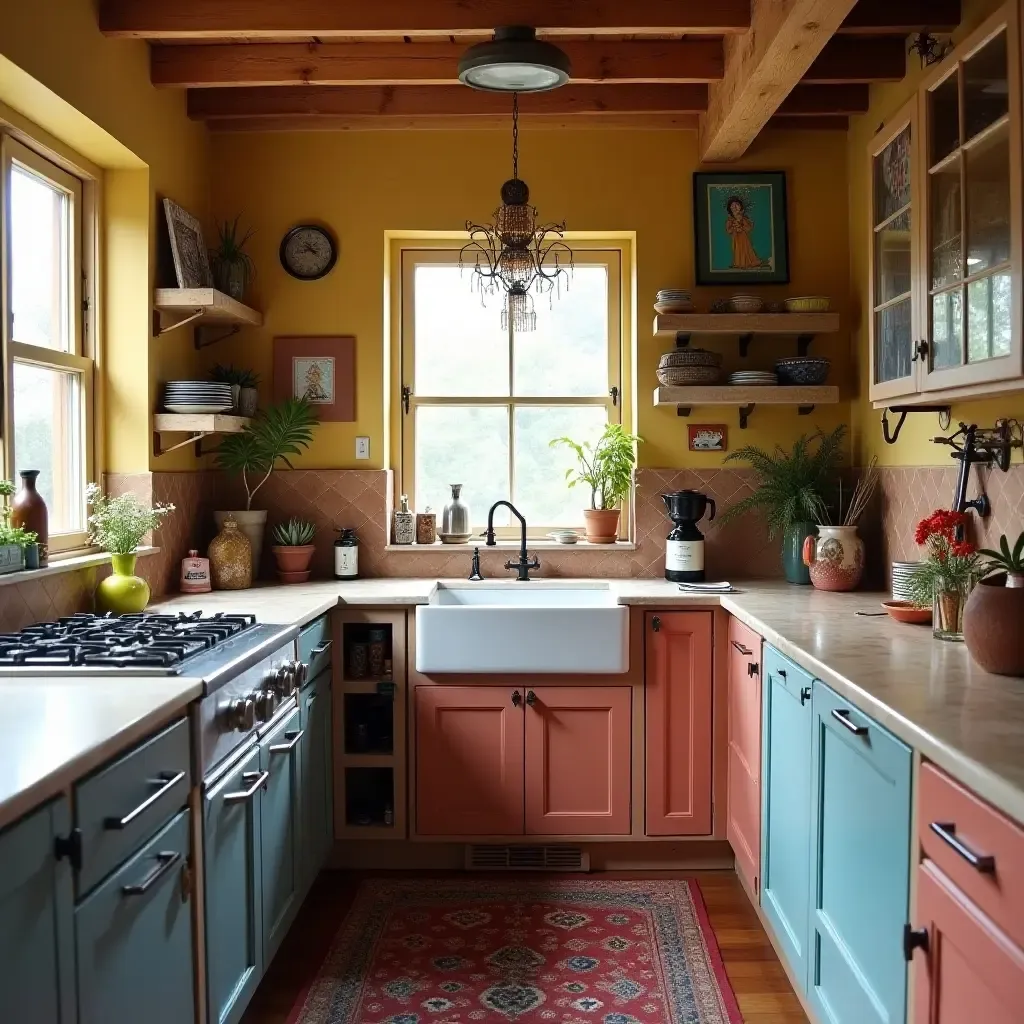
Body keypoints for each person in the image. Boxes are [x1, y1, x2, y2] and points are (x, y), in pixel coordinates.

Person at [724, 196, 765, 270]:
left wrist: (741, 225)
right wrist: (734, 227)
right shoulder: (729, 220)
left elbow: (748, 228)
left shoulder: (744, 218)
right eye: (733, 205)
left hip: (744, 237)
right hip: (736, 238)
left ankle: (749, 262)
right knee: (737, 250)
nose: (735, 207)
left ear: (741, 207)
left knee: (746, 249)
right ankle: (739, 263)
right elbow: (728, 230)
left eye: (737, 205)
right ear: (730, 208)